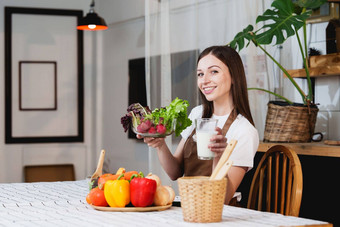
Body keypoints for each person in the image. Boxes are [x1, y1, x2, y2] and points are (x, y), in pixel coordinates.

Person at [137, 45, 259, 204]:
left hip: (218, 215)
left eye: (214, 71)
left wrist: (218, 156)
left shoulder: (244, 131)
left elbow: (223, 198)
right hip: (189, 206)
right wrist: (160, 144)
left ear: (234, 76)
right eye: (200, 74)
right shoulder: (197, 114)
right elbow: (175, 172)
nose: (205, 80)